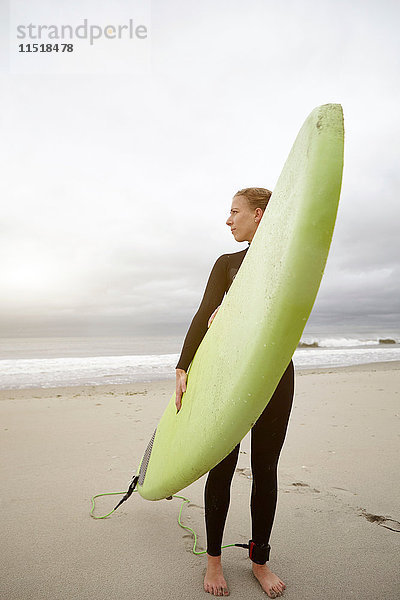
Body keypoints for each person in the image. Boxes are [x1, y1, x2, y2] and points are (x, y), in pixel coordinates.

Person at [175, 188, 294, 599]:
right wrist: (182, 365)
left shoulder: (284, 260)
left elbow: (285, 310)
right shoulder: (226, 264)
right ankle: (213, 560)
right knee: (221, 465)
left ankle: (259, 560)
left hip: (275, 373)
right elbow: (202, 311)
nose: (228, 220)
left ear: (258, 215)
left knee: (265, 469)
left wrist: (234, 310)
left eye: (235, 211)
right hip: (229, 375)